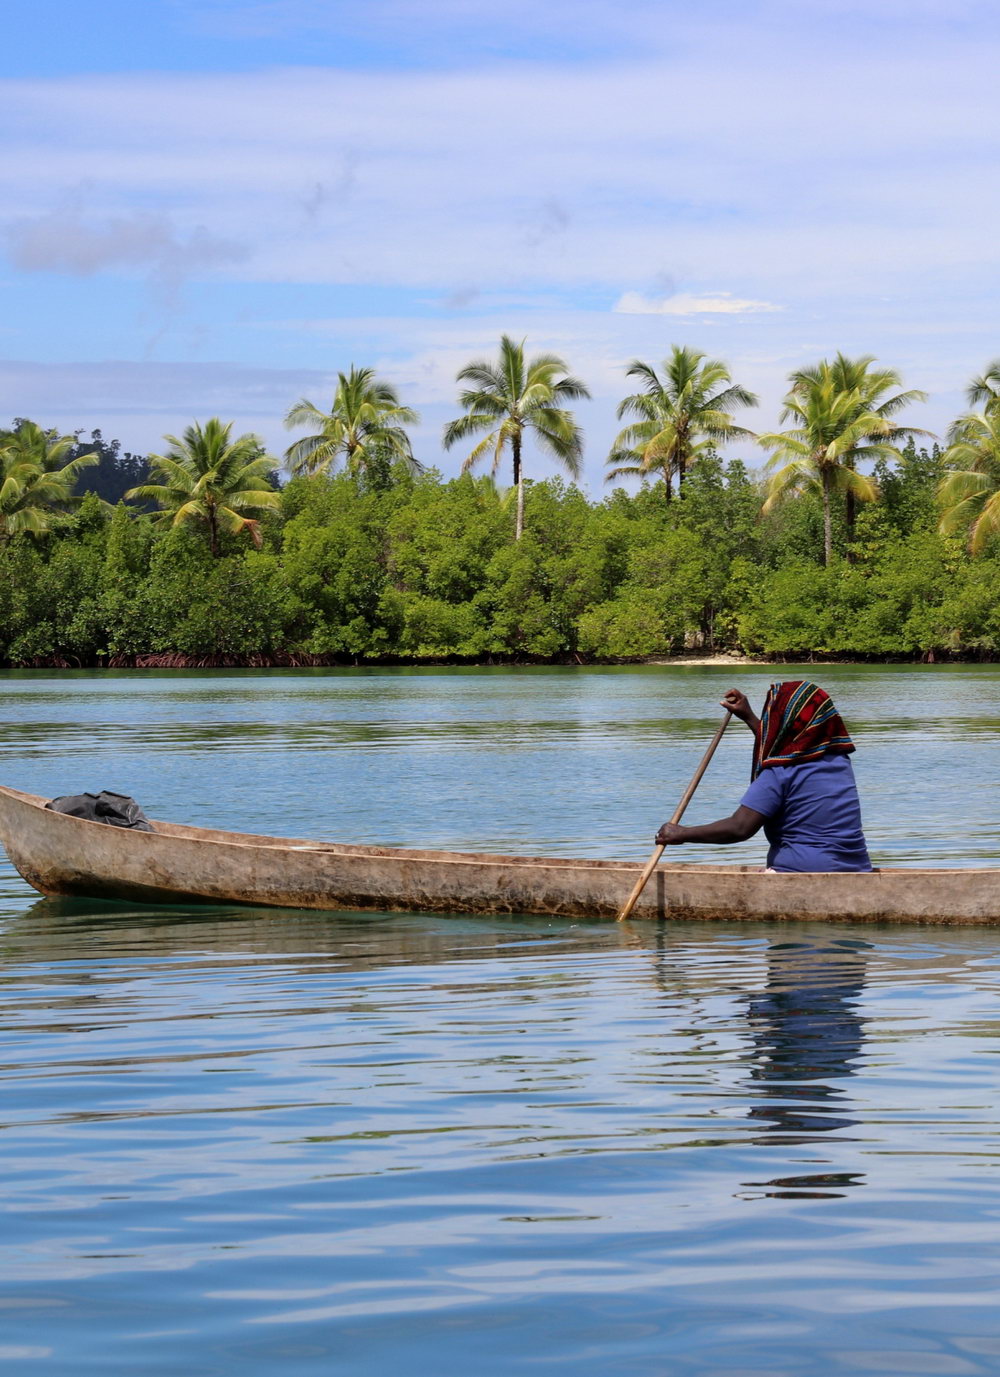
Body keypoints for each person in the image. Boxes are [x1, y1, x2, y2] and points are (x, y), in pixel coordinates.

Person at [655, 680, 872, 873]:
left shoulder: (779, 773)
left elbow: (739, 828)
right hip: (857, 867)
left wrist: (681, 834)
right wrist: (749, 717)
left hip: (799, 870)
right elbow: (785, 747)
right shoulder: (839, 762)